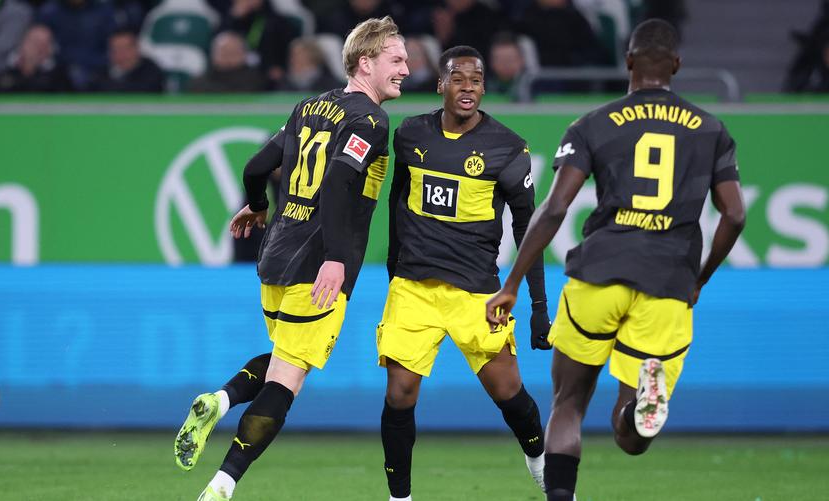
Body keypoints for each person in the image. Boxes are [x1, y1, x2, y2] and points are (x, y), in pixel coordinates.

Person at [486, 19, 746, 501]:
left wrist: (512, 283)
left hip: (599, 273)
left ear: (628, 61)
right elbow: (734, 214)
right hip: (668, 282)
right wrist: (701, 278)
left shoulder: (593, 123)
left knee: (568, 402)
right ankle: (638, 411)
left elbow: (555, 208)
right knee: (631, 440)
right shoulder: (710, 129)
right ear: (677, 65)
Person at [172, 16, 409, 501]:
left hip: (275, 257)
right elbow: (342, 183)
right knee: (289, 379)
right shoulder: (370, 120)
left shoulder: (309, 106)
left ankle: (221, 398)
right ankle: (222, 484)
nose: (407, 68)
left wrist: (258, 205)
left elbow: (256, 166)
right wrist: (338, 258)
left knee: (285, 358)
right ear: (366, 62)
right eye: (397, 59)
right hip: (318, 265)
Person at [378, 45, 552, 501]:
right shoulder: (411, 133)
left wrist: (538, 307)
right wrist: (395, 267)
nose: (468, 87)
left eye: (476, 80)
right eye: (459, 78)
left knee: (509, 392)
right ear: (441, 84)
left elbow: (529, 231)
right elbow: (399, 200)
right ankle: (400, 497)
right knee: (399, 394)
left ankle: (538, 458)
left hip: (477, 293)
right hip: (414, 288)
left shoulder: (508, 149)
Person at [187, 31, 267, 93]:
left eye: (233, 53)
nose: (228, 58)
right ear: (213, 55)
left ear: (244, 55)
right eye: (224, 53)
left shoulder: (255, 80)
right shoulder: (200, 81)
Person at [91, 29, 165, 93]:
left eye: (125, 49)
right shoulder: (100, 74)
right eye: (116, 50)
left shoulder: (151, 72)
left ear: (136, 48)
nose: (121, 55)